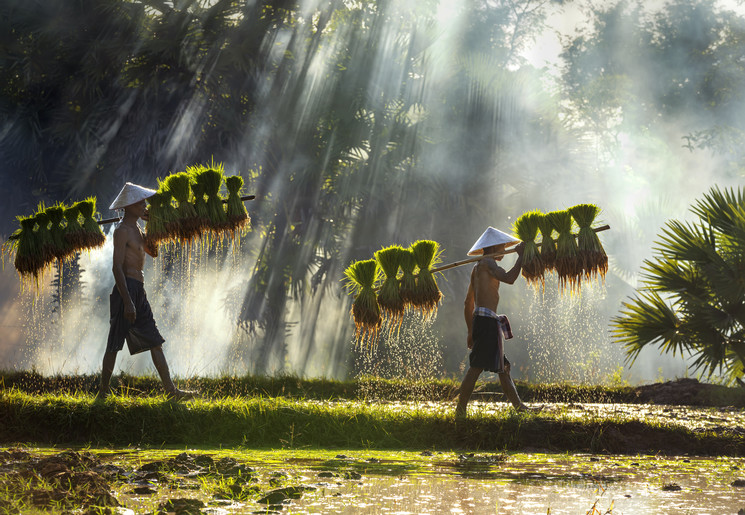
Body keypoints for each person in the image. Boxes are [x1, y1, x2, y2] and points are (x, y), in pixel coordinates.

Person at [97, 182, 194, 401]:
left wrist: (154, 225)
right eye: (140, 202)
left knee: (155, 340)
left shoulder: (138, 230)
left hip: (138, 289)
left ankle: (171, 391)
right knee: (114, 343)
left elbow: (154, 252)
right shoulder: (121, 232)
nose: (144, 205)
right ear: (129, 206)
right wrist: (128, 301)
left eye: (144, 202)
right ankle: (103, 393)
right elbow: (117, 267)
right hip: (126, 291)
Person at [455, 226, 535, 416]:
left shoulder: (477, 267)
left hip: (483, 321)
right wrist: (521, 257)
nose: (504, 250)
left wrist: (470, 331)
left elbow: (468, 302)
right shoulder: (488, 264)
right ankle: (460, 411)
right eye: (502, 246)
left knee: (503, 367)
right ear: (494, 247)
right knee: (476, 368)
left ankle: (520, 408)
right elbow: (509, 278)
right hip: (486, 322)